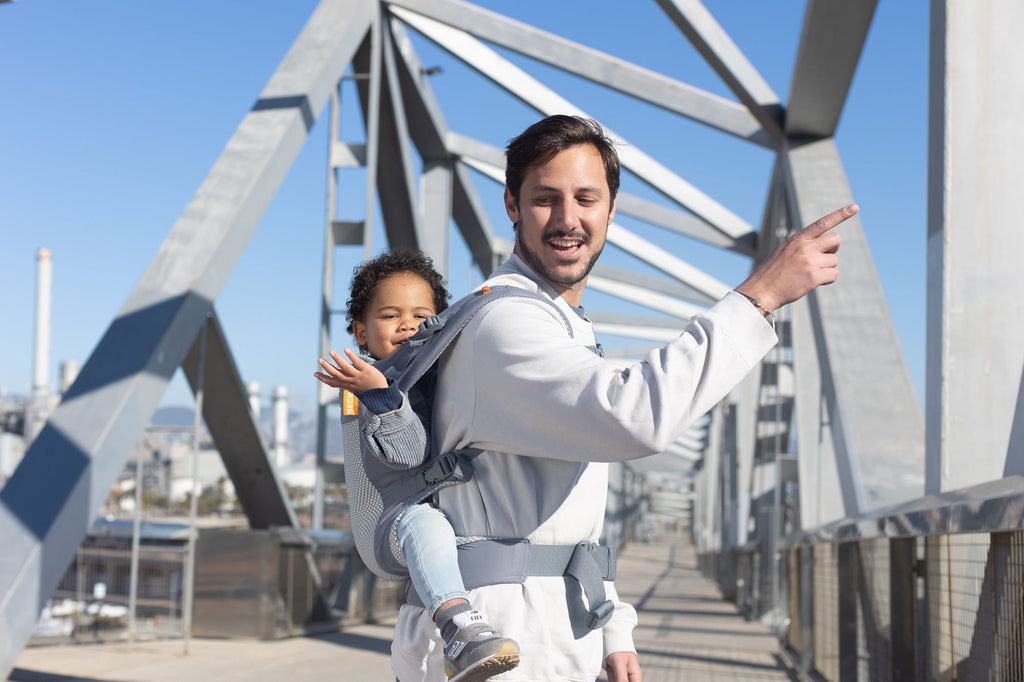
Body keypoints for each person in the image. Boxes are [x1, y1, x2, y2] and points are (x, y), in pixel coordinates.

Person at [388, 114, 856, 682]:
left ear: (612, 210)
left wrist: (613, 627)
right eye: (545, 199)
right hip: (503, 636)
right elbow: (632, 418)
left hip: (550, 627)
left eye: (587, 198)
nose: (568, 219)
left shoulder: (559, 323)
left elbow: (566, 519)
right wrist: (761, 296)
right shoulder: (503, 324)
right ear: (511, 205)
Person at [314, 251, 520, 681]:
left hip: (421, 519)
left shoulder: (428, 371)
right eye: (390, 315)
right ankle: (457, 627)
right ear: (361, 332)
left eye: (423, 316)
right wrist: (381, 395)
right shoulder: (367, 384)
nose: (408, 324)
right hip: (390, 522)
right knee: (425, 525)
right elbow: (407, 453)